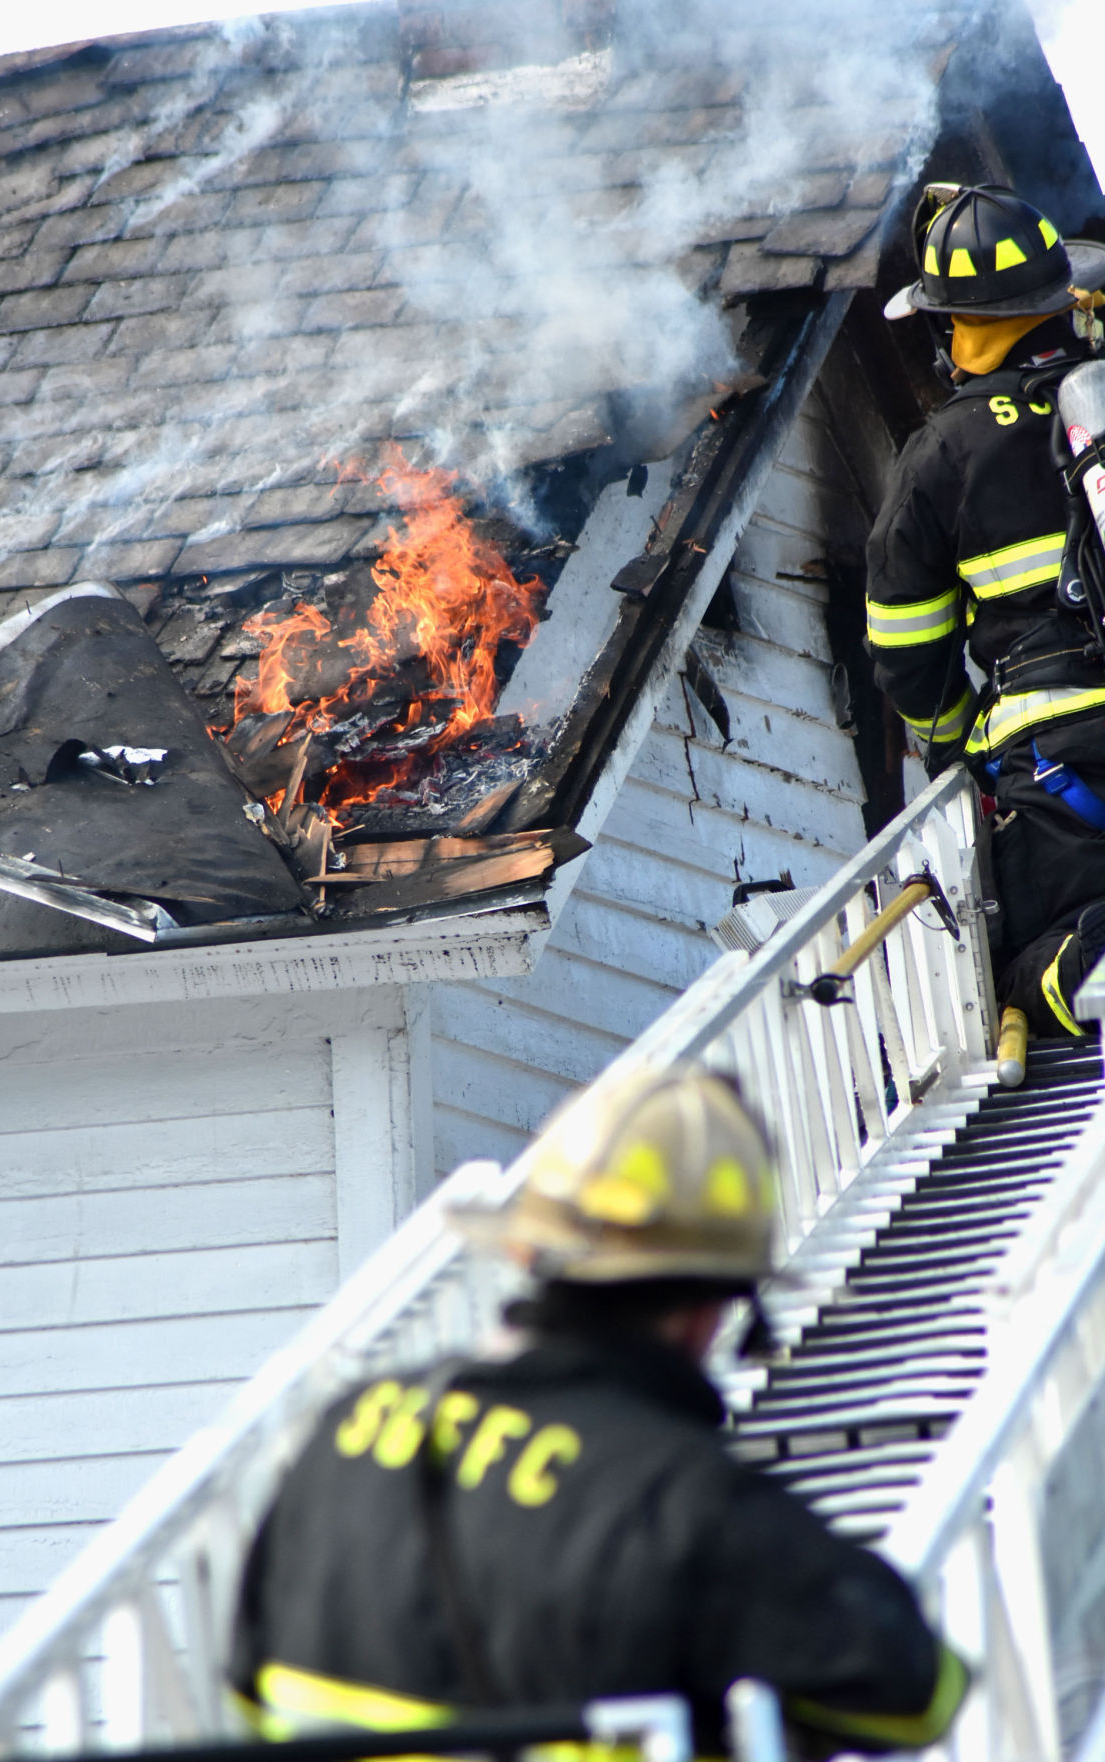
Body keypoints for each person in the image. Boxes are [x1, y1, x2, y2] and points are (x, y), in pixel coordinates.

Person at [229, 1065, 967, 1758]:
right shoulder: (686, 1504)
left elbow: (248, 1688)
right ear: (705, 1311)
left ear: (528, 1256)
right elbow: (919, 1693)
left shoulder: (341, 1434)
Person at [865, 182, 1105, 1035]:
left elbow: (905, 648)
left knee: (1024, 970)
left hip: (1058, 770)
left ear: (953, 327)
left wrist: (959, 750)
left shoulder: (944, 452)